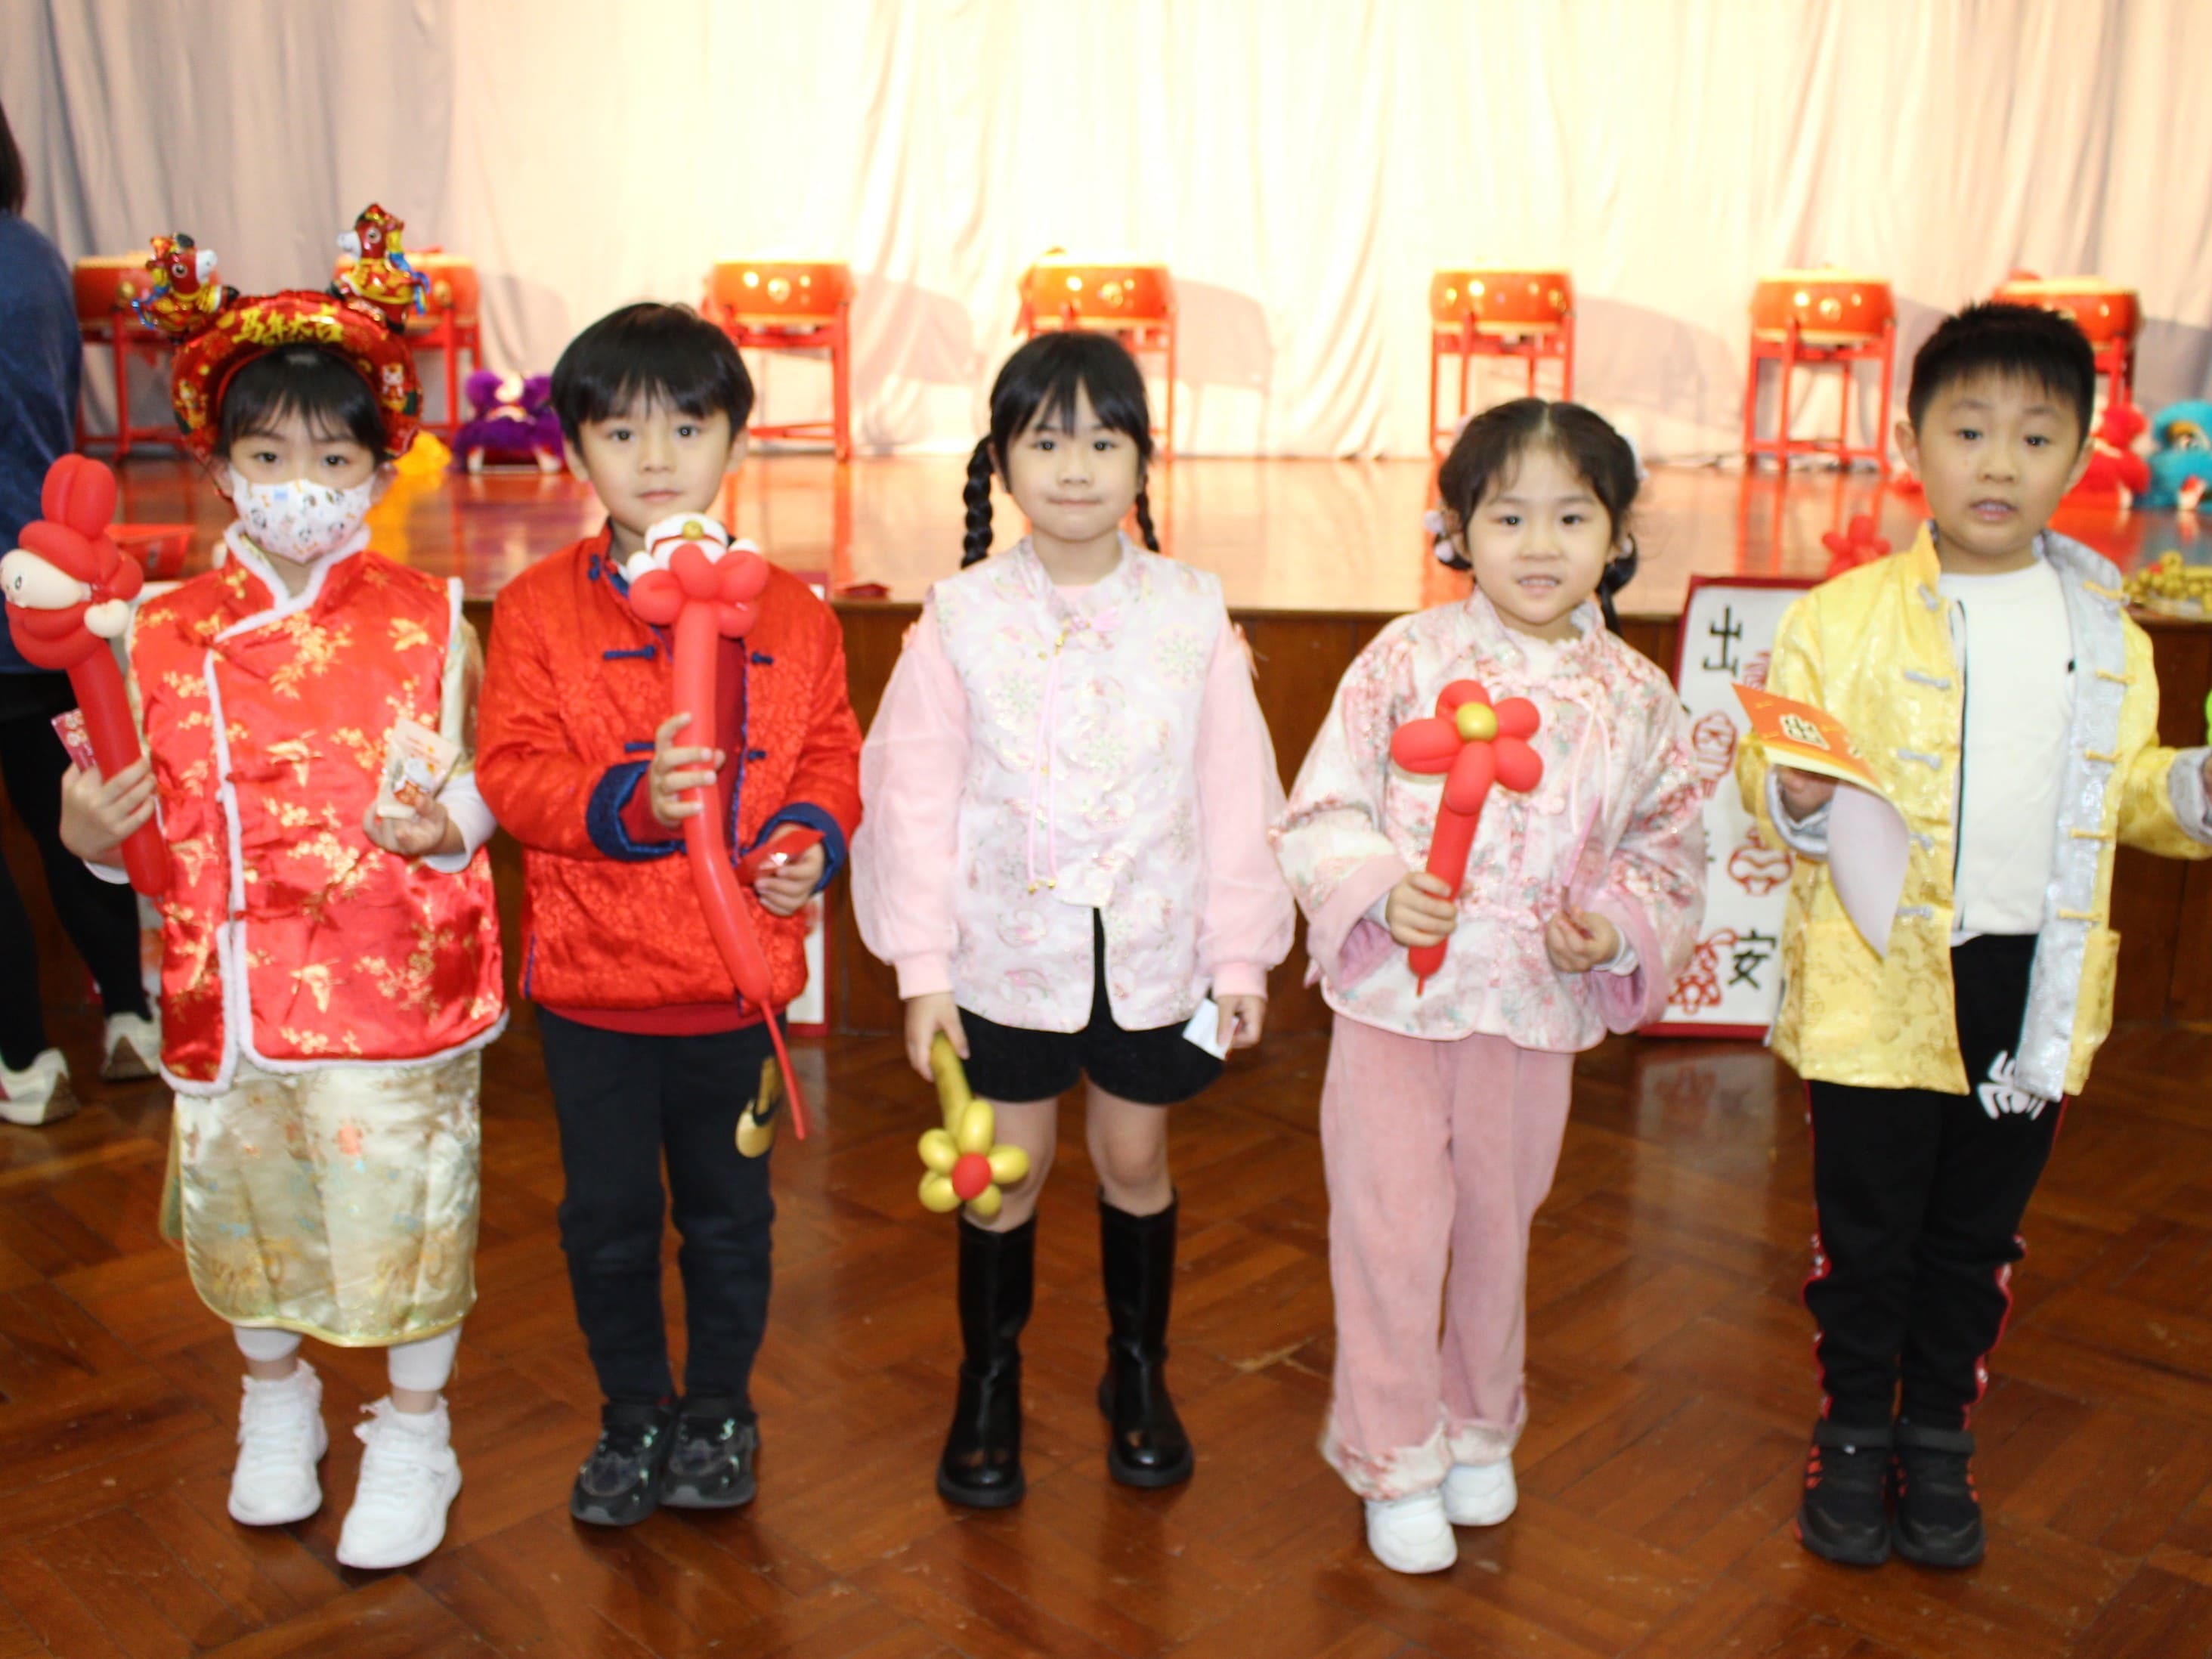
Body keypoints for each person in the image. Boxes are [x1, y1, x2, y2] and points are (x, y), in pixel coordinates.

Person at [1740, 302, 2212, 1571]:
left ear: (2082, 459)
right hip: (1879, 973)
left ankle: (1939, 1435)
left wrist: (2192, 791)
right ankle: (1852, 1433)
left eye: (2036, 437)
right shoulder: (1840, 618)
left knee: (1976, 1234)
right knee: (1867, 1231)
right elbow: (1775, 761)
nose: (2000, 463)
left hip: (2031, 983)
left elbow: (2126, 792)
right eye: (1968, 431)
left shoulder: (2106, 631)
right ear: (1912, 444)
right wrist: (1791, 792)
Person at [59, 280, 503, 1570]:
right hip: (233, 984)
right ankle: (274, 1401)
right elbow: (128, 834)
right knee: (248, 1209)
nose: (298, 484)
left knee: (407, 1216)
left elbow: (485, 779)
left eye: (331, 459)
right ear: (218, 468)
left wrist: (449, 825)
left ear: (380, 471)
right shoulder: (154, 631)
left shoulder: (430, 617)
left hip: (391, 976)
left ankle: (415, 1432)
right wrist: (88, 836)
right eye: (266, 457)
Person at [852, 331, 1294, 1509]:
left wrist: (1240, 956)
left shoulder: (1192, 611)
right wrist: (923, 969)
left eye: (1104, 441)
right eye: (1047, 442)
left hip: (1154, 953)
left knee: (1134, 1158)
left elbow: (1237, 793)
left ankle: (1136, 1368)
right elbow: (912, 800)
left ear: (1144, 459)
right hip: (1005, 957)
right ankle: (988, 1383)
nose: (1077, 468)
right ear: (1001, 462)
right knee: (1004, 1175)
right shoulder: (960, 617)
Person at [1274, 398, 1705, 1574]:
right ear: (1457, 530)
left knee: (1496, 1230)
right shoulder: (1402, 661)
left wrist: (1611, 932)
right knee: (1391, 1230)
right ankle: (1394, 1454)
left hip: (1530, 1014)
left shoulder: (1637, 699)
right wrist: (1378, 890)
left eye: (1573, 516)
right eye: (1509, 516)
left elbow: (1669, 848)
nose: (1540, 544)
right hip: (1397, 1009)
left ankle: (1477, 1426)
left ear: (1618, 535)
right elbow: (1322, 808)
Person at [475, 302, 862, 1527]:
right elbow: (511, 774)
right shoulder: (537, 608)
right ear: (575, 450)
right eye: (621, 432)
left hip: (736, 992)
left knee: (731, 1221)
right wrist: (627, 803)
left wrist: (809, 843)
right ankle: (632, 1411)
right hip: (594, 992)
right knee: (606, 1222)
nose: (656, 458)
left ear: (736, 438)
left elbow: (831, 755)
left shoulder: (795, 610)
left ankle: (721, 1411)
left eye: (687, 428)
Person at [0, 94, 156, 1122]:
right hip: (45, 581)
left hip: (29, 584)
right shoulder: (32, 253)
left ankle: (23, 1059)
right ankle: (131, 1017)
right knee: (73, 820)